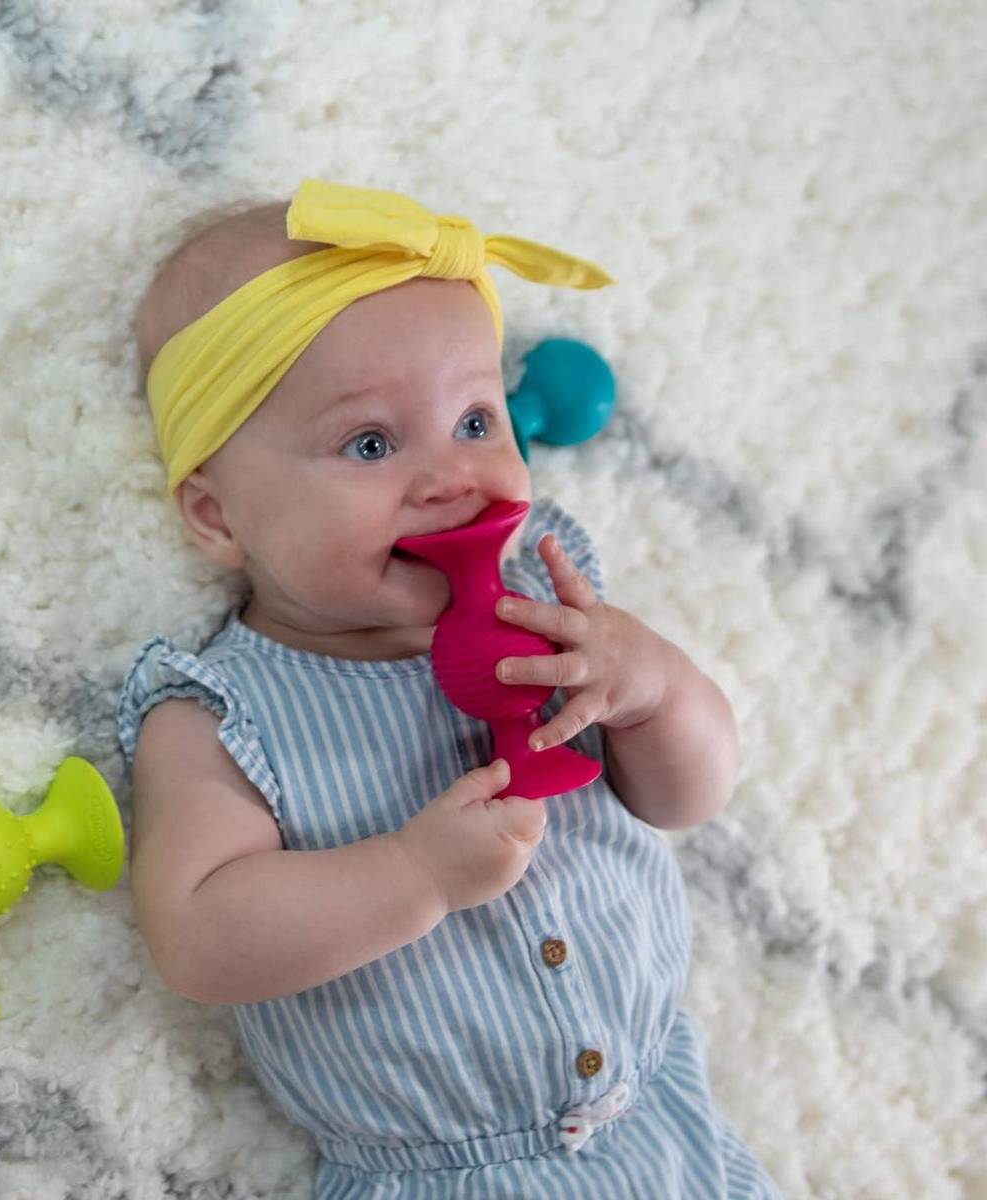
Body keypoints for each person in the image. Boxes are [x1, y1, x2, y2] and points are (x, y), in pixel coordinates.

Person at [116, 179, 781, 1198]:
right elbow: (199, 938)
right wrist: (414, 874)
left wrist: (653, 691)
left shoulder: (554, 609)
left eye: (475, 420)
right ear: (218, 517)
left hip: (668, 1132)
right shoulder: (219, 716)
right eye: (371, 444)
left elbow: (689, 799)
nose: (452, 478)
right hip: (442, 1174)